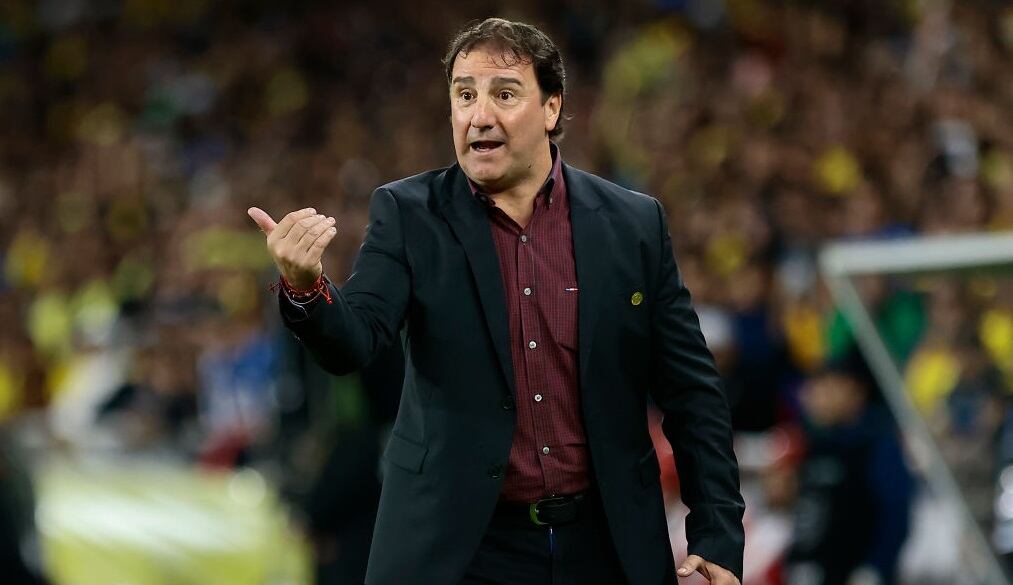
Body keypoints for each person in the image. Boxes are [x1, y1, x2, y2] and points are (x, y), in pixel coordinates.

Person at [248, 18, 744, 585]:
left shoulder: (634, 224)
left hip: (605, 546)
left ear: (551, 108)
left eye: (503, 94)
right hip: (462, 550)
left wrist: (718, 537)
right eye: (464, 95)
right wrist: (307, 285)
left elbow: (692, 393)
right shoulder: (408, 214)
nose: (478, 115)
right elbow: (356, 341)